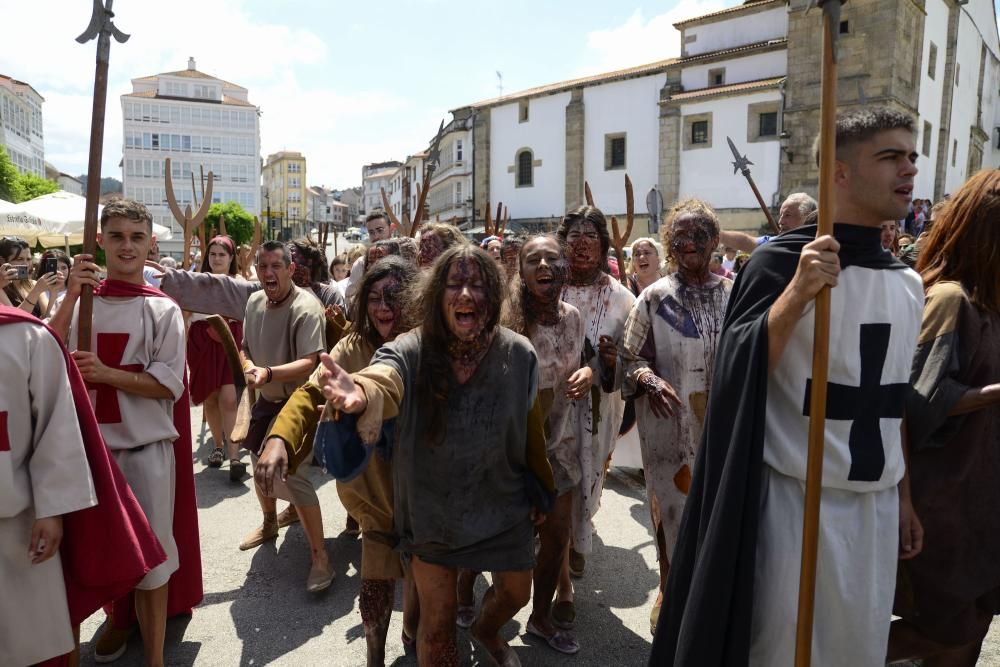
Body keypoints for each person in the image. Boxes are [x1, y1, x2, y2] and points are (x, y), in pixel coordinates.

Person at [650, 107, 925, 666]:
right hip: (795, 506)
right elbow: (737, 373)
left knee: (857, 654)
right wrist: (797, 295)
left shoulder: (909, 283)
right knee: (777, 653)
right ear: (840, 173)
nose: (909, 170)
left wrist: (903, 496)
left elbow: (890, 403)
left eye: (912, 156)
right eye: (891, 156)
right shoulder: (780, 265)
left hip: (874, 514)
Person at [317, 245, 554, 667]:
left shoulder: (519, 354)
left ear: (495, 296)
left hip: (502, 504)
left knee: (518, 593)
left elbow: (530, 430)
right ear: (434, 296)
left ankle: (484, 629)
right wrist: (362, 394)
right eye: (454, 284)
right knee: (438, 629)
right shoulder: (412, 347)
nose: (465, 295)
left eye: (477, 285)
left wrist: (540, 488)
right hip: (432, 513)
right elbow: (384, 375)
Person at [50, 198, 202, 666]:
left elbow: (166, 387)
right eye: (116, 236)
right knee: (77, 560)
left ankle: (154, 658)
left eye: (137, 237)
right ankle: (106, 629)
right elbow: (39, 351)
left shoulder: (163, 312)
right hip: (82, 453)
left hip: (144, 452)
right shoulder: (75, 303)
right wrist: (72, 297)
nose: (127, 246)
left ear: (150, 242)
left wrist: (106, 374)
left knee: (152, 562)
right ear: (99, 241)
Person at [257, 256, 420, 666]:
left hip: (428, 496)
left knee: (423, 590)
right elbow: (312, 394)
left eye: (395, 297)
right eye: (375, 298)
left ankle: (415, 635)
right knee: (376, 582)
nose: (384, 307)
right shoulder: (352, 347)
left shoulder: (434, 344)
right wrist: (278, 438)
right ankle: (375, 657)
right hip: (375, 497)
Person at [0, 303, 166, 667]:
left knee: (36, 643)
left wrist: (53, 510)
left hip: (18, 522)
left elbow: (56, 425)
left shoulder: (26, 337)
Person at [887, 169, 1000, 667]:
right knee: (947, 632)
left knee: (974, 626)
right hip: (942, 506)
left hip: (983, 506)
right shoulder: (951, 299)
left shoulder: (994, 305)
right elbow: (915, 404)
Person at [622, 199, 732, 635]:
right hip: (668, 429)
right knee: (669, 511)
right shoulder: (654, 298)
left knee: (715, 515)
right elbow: (628, 359)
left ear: (715, 242)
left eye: (698, 236)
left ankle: (707, 597)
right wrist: (648, 379)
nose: (689, 244)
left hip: (721, 428)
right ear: (670, 243)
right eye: (680, 237)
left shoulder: (734, 295)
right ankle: (668, 587)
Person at [504, 235, 592, 655]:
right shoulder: (507, 320)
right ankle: (468, 601)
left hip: (561, 445)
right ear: (520, 272)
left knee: (557, 537)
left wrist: (588, 373)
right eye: (533, 260)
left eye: (552, 258)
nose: (543, 265)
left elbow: (583, 360)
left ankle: (540, 618)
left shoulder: (574, 317)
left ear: (565, 268)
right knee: (497, 536)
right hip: (514, 450)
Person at [237, 240, 331, 592]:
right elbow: (244, 345)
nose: (268, 273)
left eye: (277, 266)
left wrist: (268, 373)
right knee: (255, 462)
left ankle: (321, 557)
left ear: (291, 269)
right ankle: (270, 522)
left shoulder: (307, 307)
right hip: (265, 397)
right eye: (263, 266)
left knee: (293, 478)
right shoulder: (253, 301)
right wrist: (248, 365)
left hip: (298, 403)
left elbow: (311, 361)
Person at [557, 205, 636, 611]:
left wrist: (608, 362)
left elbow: (636, 357)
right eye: (575, 238)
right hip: (553, 409)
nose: (582, 246)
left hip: (599, 408)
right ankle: (559, 564)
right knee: (557, 478)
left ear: (603, 246)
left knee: (588, 476)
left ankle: (579, 537)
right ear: (563, 244)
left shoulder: (623, 299)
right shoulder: (546, 287)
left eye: (591, 238)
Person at [188, 236, 244, 473]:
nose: (217, 258)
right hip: (202, 342)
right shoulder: (197, 282)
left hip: (230, 341)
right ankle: (218, 446)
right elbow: (185, 310)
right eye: (213, 254)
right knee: (210, 397)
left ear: (231, 258)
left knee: (230, 399)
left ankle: (234, 457)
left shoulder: (241, 283)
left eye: (222, 254)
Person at [717, 192, 818, 253]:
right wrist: (716, 234)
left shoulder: (821, 244)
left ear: (807, 216)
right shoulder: (779, 243)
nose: (780, 221)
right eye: (780, 215)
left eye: (787, 215)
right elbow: (747, 242)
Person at [1, 236, 60, 317]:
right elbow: (15, 319)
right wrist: (36, 291)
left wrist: (54, 291)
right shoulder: (1, 287)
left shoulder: (33, 284)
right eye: (19, 259)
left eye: (28, 259)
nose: (26, 264)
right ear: (3, 261)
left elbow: (48, 318)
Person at [345, 212, 393, 304]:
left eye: (380, 230)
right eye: (371, 232)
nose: (376, 237)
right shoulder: (362, 263)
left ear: (391, 229)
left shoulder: (403, 257)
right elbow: (349, 300)